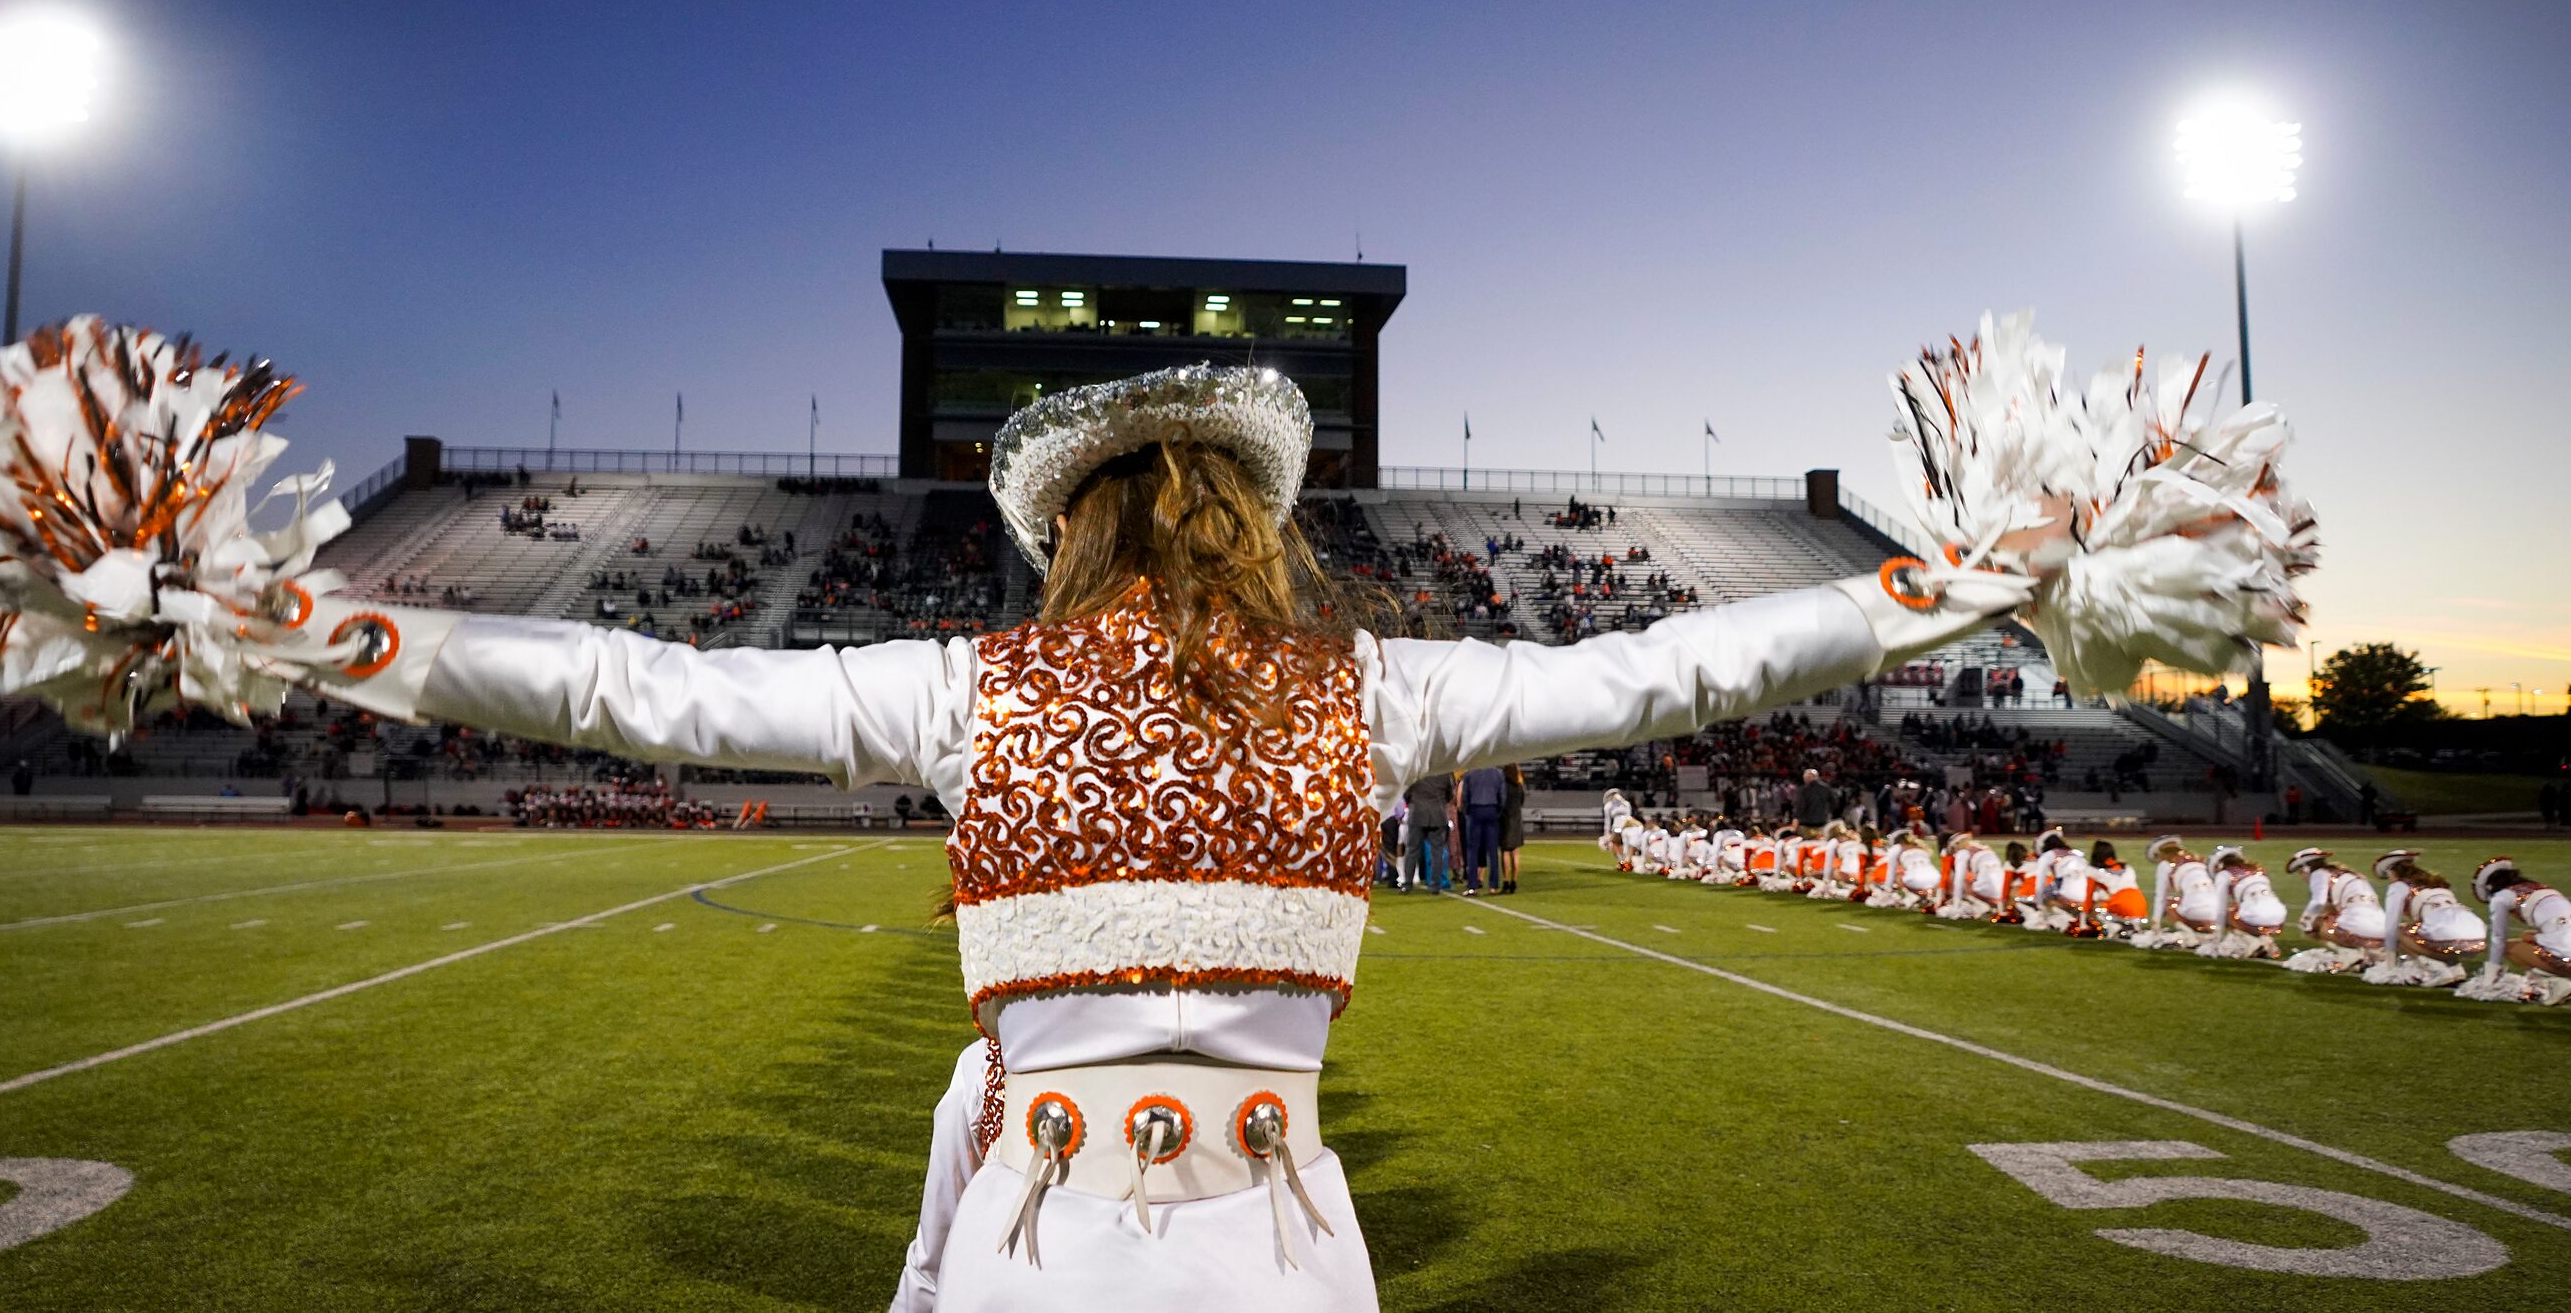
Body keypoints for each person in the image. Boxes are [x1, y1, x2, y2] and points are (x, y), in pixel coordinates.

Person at [277, 364, 2034, 1309]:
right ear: (1254, 527)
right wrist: (1941, 588)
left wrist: (307, 627)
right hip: (1278, 1242)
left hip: (1032, 1241)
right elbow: (1678, 663)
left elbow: (635, 690)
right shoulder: (1377, 687)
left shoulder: (965, 687)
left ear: (1069, 533)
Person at [2364, 849, 2486, 987]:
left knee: (2400, 932)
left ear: (2392, 872)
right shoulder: (2436, 883)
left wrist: (2390, 964)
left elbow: (2391, 927)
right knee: (2429, 930)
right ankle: (2456, 970)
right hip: (2477, 938)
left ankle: (2435, 970)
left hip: (2448, 937)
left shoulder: (2398, 886)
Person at [2465, 857, 2571, 1004]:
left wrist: (2489, 978)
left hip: (2566, 959)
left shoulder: (2501, 897)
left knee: (2509, 947)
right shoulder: (2544, 889)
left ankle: (2552, 985)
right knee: (2527, 937)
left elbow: (2498, 939)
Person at [2284, 845, 2385, 972]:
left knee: (2314, 925)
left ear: (2306, 868)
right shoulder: (2345, 873)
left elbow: (2318, 902)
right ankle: (2371, 955)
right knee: (2332, 918)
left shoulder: (2318, 874)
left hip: (2359, 930)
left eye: (2301, 872)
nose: (2302, 877)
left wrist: (2306, 919)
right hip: (2383, 931)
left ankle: (2350, 954)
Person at [2139, 836, 2221, 947]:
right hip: (2216, 915)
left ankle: (2188, 933)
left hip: (2194, 913)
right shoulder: (2198, 859)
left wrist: (2156, 922)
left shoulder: (2165, 865)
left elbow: (2161, 897)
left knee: (2170, 903)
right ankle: (2211, 933)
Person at [1456, 765, 1506, 895]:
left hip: (1475, 809)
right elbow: (1502, 795)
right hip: (1492, 809)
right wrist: (1498, 810)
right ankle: (1493, 886)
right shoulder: (1498, 773)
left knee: (1473, 850)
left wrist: (1468, 811)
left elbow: (1465, 795)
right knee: (1493, 851)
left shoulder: (1470, 773)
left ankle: (1473, 885)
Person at [1404, 772, 1455, 892]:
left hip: (1417, 813)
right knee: (1437, 851)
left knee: (1412, 850)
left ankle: (1407, 884)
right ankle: (1435, 884)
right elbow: (1450, 795)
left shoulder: (1416, 771)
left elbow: (1406, 793)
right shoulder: (1445, 772)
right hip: (1437, 814)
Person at [1498, 765, 1527, 894]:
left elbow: (1500, 802)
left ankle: (1505, 881)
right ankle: (1514, 881)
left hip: (1505, 819)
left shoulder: (1503, 786)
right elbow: (1522, 802)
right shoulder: (1519, 786)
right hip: (1517, 819)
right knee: (1515, 852)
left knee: (1505, 851)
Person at [1599, 786, 1636, 872]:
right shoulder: (1608, 806)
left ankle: (1628, 861)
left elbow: (1629, 816)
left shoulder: (1626, 804)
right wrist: (1606, 833)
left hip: (1626, 826)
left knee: (1627, 844)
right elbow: (1607, 821)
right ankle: (1621, 861)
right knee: (1615, 843)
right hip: (1616, 826)